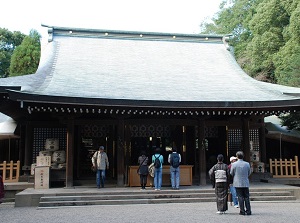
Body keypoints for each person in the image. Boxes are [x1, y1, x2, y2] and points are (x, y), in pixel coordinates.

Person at [230, 151, 252, 215]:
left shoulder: (234, 164)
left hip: (237, 182)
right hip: (245, 182)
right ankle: (248, 211)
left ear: (237, 156)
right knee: (246, 197)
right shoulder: (247, 164)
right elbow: (249, 172)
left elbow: (231, 173)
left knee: (240, 197)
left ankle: (242, 211)